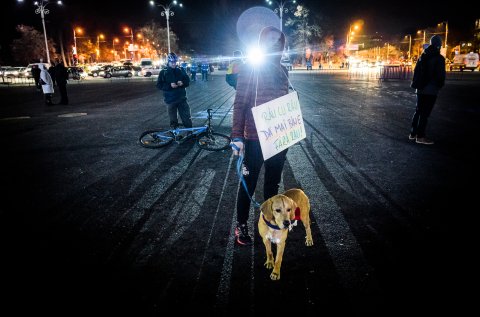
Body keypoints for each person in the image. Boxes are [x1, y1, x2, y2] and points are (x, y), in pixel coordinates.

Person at [230, 26, 290, 246]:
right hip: (254, 138)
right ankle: (242, 224)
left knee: (272, 186)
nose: (275, 45)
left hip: (279, 138)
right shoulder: (249, 69)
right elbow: (240, 104)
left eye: (279, 42)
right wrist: (237, 136)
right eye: (271, 42)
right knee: (249, 183)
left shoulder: (284, 71)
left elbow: (284, 100)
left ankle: (269, 224)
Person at [409, 35, 446, 145]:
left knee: (418, 111)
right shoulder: (439, 58)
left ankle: (413, 133)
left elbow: (416, 72)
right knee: (425, 114)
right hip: (431, 89)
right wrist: (439, 85)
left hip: (420, 88)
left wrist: (417, 84)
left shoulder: (422, 56)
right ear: (439, 45)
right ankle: (421, 136)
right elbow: (440, 76)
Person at [156, 52, 192, 129]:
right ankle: (174, 134)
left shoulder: (181, 70)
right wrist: (169, 86)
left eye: (175, 62)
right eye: (172, 62)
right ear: (168, 62)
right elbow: (159, 85)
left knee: (187, 118)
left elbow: (187, 81)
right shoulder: (164, 72)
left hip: (182, 99)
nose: (174, 64)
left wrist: (183, 83)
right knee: (173, 120)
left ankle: (190, 133)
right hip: (170, 100)